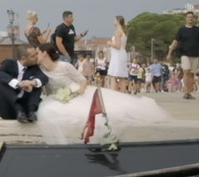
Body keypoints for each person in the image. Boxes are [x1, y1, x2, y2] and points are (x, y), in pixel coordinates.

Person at [34, 43, 171, 144]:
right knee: (52, 112)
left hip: (77, 92)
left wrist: (79, 91)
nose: (36, 56)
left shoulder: (64, 66)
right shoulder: (40, 70)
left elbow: (82, 81)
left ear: (45, 53)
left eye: (37, 53)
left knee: (103, 112)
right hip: (58, 97)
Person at [0, 46, 48, 123]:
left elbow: (44, 77)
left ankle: (32, 112)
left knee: (37, 83)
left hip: (27, 108)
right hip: (8, 108)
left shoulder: (34, 67)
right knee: (4, 83)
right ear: (23, 58)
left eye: (36, 54)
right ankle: (19, 110)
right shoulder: (9, 63)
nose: (36, 57)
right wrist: (18, 84)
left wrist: (32, 82)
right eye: (33, 56)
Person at [165, 11, 199, 100]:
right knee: (186, 71)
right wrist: (169, 53)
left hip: (195, 55)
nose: (190, 18)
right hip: (185, 54)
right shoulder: (181, 30)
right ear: (186, 18)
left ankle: (189, 91)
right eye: (188, 17)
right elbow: (175, 41)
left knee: (192, 74)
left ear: (194, 18)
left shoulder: (198, 30)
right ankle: (186, 92)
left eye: (192, 17)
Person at [106, 16, 129, 93]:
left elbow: (118, 46)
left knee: (113, 75)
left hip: (117, 55)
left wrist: (109, 43)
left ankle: (113, 93)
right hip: (122, 54)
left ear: (118, 21)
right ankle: (123, 93)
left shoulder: (118, 32)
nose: (113, 21)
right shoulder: (123, 31)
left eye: (114, 20)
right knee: (122, 76)